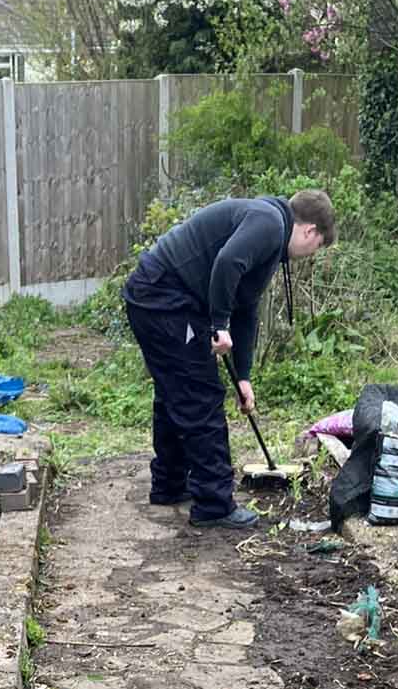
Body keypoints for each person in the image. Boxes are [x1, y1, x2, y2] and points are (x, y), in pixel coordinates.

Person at [123, 188, 336, 527]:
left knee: (176, 391)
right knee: (200, 394)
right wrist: (219, 324)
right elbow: (226, 263)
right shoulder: (268, 223)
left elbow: (246, 307)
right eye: (317, 246)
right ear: (310, 230)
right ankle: (213, 504)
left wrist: (244, 376)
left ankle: (169, 484)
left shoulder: (270, 233)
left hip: (162, 295)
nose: (312, 254)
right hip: (163, 296)